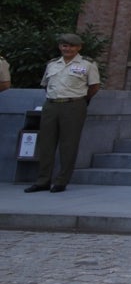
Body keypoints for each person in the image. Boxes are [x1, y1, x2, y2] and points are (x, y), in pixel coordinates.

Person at [25, 33, 100, 193]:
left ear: (79, 47)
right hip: (51, 104)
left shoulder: (88, 64)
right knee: (46, 144)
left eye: (72, 46)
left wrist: (80, 100)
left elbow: (94, 87)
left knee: (68, 144)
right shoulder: (53, 64)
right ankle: (43, 180)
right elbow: (46, 84)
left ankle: (61, 181)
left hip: (73, 104)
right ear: (60, 47)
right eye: (65, 45)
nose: (68, 49)